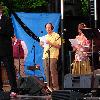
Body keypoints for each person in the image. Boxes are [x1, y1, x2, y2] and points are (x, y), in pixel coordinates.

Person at [0, 5, 18, 97]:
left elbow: (10, 32)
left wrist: (1, 30)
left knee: (9, 69)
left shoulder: (6, 19)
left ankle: (14, 89)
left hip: (5, 49)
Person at [40, 23, 61, 91]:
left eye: (49, 27)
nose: (48, 29)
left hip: (53, 55)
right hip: (45, 55)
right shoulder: (45, 36)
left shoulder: (56, 35)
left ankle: (56, 87)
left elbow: (59, 46)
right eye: (46, 28)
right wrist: (41, 44)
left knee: (53, 71)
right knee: (47, 72)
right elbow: (43, 45)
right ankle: (49, 87)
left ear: (52, 28)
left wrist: (50, 43)